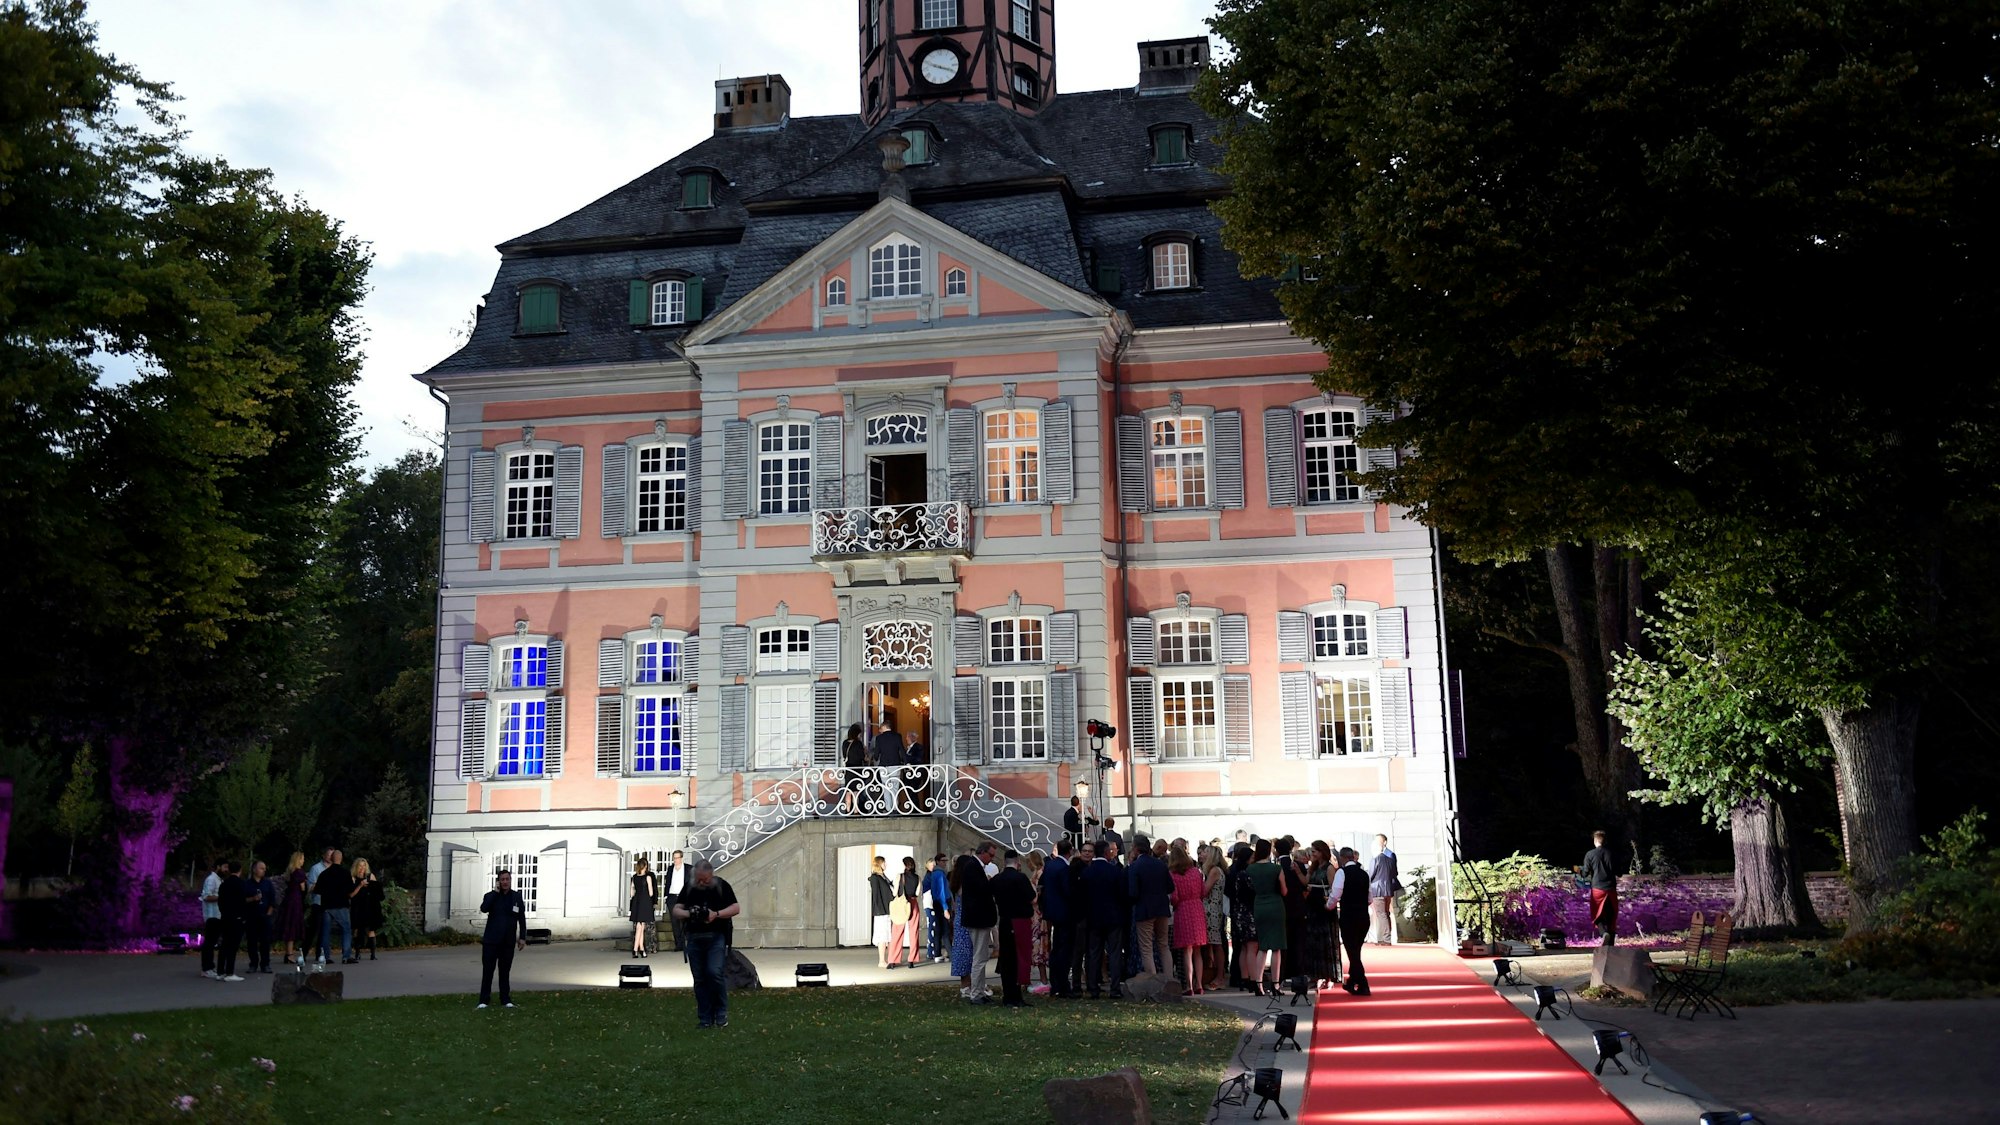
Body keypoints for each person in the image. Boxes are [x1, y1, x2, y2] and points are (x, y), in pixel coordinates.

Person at [672, 859, 742, 1028]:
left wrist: (715, 914)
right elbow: (676, 910)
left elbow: (736, 908)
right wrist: (690, 913)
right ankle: (705, 1018)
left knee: (714, 973)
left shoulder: (722, 886)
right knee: (699, 978)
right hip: (694, 937)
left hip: (716, 936)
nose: (702, 883)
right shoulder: (689, 887)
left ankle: (721, 1013)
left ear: (712, 875)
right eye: (699, 879)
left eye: (705, 879)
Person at [1081, 841, 1128, 999]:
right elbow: (1122, 895)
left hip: (1094, 918)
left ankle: (1093, 987)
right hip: (1113, 918)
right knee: (1115, 953)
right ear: (1107, 852)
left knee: (1094, 953)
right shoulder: (1115, 871)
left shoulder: (1087, 872)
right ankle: (1115, 988)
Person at [477, 868, 528, 1008]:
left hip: (508, 941)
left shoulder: (516, 897)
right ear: (498, 881)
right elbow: (484, 908)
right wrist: (495, 892)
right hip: (491, 941)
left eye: (507, 879)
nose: (505, 882)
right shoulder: (490, 896)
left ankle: (505, 999)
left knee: (505, 972)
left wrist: (522, 937)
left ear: (510, 880)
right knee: (488, 971)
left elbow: (521, 918)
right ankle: (484, 1000)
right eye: (502, 879)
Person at [991, 850, 1036, 1007]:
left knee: (1006, 958)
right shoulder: (1021, 878)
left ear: (1004, 862)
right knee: (1019, 957)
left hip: (1004, 920)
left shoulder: (997, 879)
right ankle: (1016, 995)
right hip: (1020, 920)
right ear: (1017, 862)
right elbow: (1032, 898)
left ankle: (1008, 994)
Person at [1128, 834, 1173, 980]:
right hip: (1162, 908)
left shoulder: (1135, 866)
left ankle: (1153, 981)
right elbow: (1170, 887)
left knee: (1146, 948)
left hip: (1144, 910)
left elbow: (1133, 892)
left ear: (1135, 848)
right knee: (1164, 945)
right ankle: (1169, 980)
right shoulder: (1160, 865)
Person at [1247, 838, 1289, 993]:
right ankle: (1275, 984)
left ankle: (1258, 983)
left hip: (1259, 905)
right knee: (1277, 947)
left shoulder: (1250, 869)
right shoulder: (1276, 868)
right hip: (1276, 905)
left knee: (1262, 946)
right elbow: (1284, 890)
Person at [957, 850, 999, 1003]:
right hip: (978, 920)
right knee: (979, 958)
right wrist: (991, 882)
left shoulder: (974, 867)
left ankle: (979, 991)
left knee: (980, 957)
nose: (992, 858)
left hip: (979, 919)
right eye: (991, 855)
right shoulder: (973, 867)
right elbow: (981, 891)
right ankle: (976, 993)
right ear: (983, 853)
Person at [1330, 846, 1372, 994]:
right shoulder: (1364, 874)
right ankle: (1352, 981)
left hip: (1348, 917)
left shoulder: (1342, 872)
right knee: (1356, 950)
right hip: (1363, 917)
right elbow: (1370, 898)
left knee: (1352, 952)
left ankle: (1363, 984)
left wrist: (1328, 906)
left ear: (1342, 858)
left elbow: (1335, 894)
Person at [1168, 844, 1209, 994]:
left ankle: (1189, 986)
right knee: (1198, 951)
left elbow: (1174, 897)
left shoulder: (1173, 875)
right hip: (1197, 909)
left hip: (1183, 910)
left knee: (1187, 951)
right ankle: (1200, 985)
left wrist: (1175, 904)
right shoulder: (1196, 872)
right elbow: (1203, 892)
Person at [1300, 841, 1338, 989]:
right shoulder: (1313, 867)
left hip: (1323, 906)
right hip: (1312, 905)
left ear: (1322, 852)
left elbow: (1333, 888)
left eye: (1314, 851)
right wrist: (1298, 872)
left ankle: (1327, 975)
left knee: (1325, 941)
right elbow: (1306, 882)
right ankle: (1316, 974)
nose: (1312, 854)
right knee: (1313, 940)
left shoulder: (1329, 868)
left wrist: (1328, 901)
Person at [1040, 840, 1075, 997]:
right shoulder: (1064, 868)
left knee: (1056, 948)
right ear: (1070, 851)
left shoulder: (1050, 865)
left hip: (1052, 911)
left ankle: (1055, 983)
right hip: (1065, 912)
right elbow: (1068, 891)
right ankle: (1063, 985)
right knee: (1064, 949)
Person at [314, 850, 355, 967]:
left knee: (325, 932)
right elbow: (350, 890)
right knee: (346, 929)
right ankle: (346, 956)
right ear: (341, 859)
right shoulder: (345, 873)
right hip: (341, 905)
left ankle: (325, 957)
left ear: (331, 859)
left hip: (327, 905)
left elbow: (317, 890)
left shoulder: (324, 874)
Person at [1581, 829, 1619, 946]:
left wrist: (1578, 871)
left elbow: (1585, 873)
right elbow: (1619, 872)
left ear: (1595, 841)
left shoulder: (1590, 854)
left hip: (1597, 889)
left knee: (1597, 914)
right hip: (1611, 889)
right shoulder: (1612, 853)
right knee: (1611, 916)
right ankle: (1611, 946)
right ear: (1604, 841)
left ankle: (1603, 933)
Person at [1228, 843, 1258, 990]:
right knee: (1252, 947)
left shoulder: (1234, 872)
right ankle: (1253, 979)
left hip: (1237, 911)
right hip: (1249, 911)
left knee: (1243, 948)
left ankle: (1244, 978)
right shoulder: (1247, 875)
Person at [886, 855, 923, 967]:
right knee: (914, 933)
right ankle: (912, 960)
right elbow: (917, 893)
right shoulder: (918, 878)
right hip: (913, 904)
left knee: (897, 933)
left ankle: (893, 960)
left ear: (905, 865)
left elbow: (895, 893)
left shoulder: (900, 876)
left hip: (901, 904)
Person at [214, 860, 248, 982]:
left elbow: (220, 901)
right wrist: (243, 916)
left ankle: (220, 971)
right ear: (240, 870)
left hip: (225, 916)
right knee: (233, 946)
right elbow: (242, 901)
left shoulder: (224, 884)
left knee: (224, 944)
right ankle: (230, 972)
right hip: (236, 917)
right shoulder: (240, 884)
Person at [1200, 844, 1228, 991]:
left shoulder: (1214, 871)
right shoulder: (1216, 870)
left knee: (1216, 943)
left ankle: (1219, 977)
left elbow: (1205, 891)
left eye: (1205, 852)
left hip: (1212, 910)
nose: (1201, 854)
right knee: (1213, 943)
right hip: (1214, 909)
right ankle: (1216, 974)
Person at [1369, 833, 1402, 946]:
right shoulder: (1389, 860)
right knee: (1385, 913)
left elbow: (1371, 875)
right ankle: (1383, 938)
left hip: (1377, 889)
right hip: (1388, 889)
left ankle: (1386, 938)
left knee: (1381, 914)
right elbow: (1394, 873)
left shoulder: (1375, 860)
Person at [302, 847, 333, 966]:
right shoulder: (316, 868)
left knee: (325, 930)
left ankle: (321, 954)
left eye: (333, 855)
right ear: (324, 855)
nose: (331, 857)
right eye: (329, 855)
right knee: (313, 929)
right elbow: (310, 887)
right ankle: (304, 953)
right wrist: (321, 883)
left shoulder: (334, 869)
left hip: (329, 903)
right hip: (318, 902)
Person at [350, 858, 385, 961]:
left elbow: (378, 892)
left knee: (371, 929)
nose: (362, 868)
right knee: (357, 929)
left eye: (364, 865)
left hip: (370, 906)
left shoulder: (371, 876)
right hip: (358, 906)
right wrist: (360, 885)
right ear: (356, 867)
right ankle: (357, 952)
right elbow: (351, 895)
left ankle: (373, 954)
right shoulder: (353, 878)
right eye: (360, 866)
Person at [278, 851, 308, 966]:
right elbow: (303, 888)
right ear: (298, 860)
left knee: (288, 924)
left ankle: (288, 952)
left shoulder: (290, 872)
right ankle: (290, 954)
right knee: (292, 926)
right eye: (302, 859)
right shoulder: (299, 872)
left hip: (289, 899)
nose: (303, 861)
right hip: (296, 900)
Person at [248, 860, 277, 973]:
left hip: (265, 915)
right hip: (252, 916)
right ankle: (253, 963)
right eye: (261, 868)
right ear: (254, 869)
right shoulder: (247, 884)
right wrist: (252, 899)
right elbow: (242, 899)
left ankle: (265, 964)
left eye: (264, 869)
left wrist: (268, 913)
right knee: (252, 941)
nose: (264, 871)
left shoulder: (267, 883)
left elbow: (272, 899)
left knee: (265, 941)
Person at [198, 858, 225, 979]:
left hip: (218, 915)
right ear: (218, 866)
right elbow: (206, 896)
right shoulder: (211, 879)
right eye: (225, 867)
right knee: (209, 942)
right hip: (211, 915)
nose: (226, 870)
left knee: (213, 941)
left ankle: (210, 966)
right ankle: (206, 968)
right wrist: (222, 897)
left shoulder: (219, 880)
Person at [872, 718, 906, 812]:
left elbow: (876, 754)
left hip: (883, 766)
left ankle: (888, 808)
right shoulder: (897, 736)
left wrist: (874, 758)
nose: (880, 730)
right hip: (895, 765)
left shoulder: (879, 738)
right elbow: (902, 750)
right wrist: (907, 762)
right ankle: (895, 808)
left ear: (884, 727)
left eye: (881, 728)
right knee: (895, 787)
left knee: (885, 787)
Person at [923, 853, 952, 963]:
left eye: (946, 861)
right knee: (945, 929)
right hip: (942, 903)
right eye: (943, 861)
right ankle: (951, 953)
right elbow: (942, 892)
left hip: (937, 902)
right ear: (938, 861)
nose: (945, 863)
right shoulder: (940, 873)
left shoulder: (934, 873)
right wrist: (945, 908)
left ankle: (937, 953)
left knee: (939, 929)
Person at [869, 856, 896, 967]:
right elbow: (876, 895)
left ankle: (889, 959)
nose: (886, 864)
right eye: (884, 863)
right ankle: (881, 961)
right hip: (882, 911)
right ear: (879, 864)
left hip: (888, 909)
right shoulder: (875, 878)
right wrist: (880, 910)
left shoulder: (883, 876)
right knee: (882, 936)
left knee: (888, 935)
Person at [662, 850, 691, 952]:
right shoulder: (670, 869)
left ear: (681, 858)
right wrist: (666, 896)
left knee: (684, 921)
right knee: (674, 922)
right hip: (672, 897)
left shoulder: (688, 869)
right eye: (674, 858)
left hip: (684, 897)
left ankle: (687, 943)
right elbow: (668, 883)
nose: (675, 860)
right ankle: (678, 944)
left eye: (677, 858)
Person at [630, 856, 658, 957]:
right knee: (640, 926)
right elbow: (651, 893)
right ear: (645, 866)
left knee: (640, 926)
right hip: (645, 901)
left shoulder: (634, 877)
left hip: (636, 901)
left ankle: (641, 949)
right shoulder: (648, 877)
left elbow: (631, 892)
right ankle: (635, 949)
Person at [839, 722, 868, 813]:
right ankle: (855, 810)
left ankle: (847, 809)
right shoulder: (858, 743)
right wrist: (865, 752)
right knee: (856, 791)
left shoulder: (845, 743)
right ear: (857, 733)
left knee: (848, 791)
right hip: (857, 769)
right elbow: (862, 757)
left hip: (848, 769)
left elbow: (844, 755)